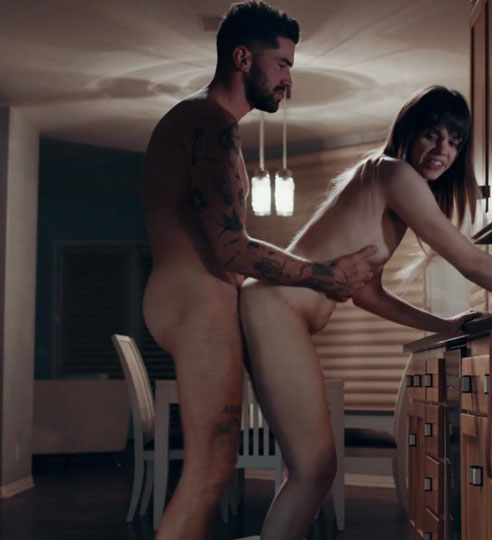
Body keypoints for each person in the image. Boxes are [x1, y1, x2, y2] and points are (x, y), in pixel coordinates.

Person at [239, 85, 492, 540]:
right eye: (432, 135)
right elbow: (470, 260)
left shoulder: (383, 179)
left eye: (454, 142)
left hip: (276, 309)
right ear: (409, 132)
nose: (442, 151)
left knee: (312, 469)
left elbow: (368, 294)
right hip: (275, 308)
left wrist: (443, 325)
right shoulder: (395, 173)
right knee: (314, 469)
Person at [139, 2, 380, 539]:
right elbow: (232, 249)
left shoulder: (199, 121)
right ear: (243, 58)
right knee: (209, 471)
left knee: (215, 469)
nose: (289, 80)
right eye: (283, 64)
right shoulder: (211, 126)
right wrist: (325, 275)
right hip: (197, 300)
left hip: (187, 295)